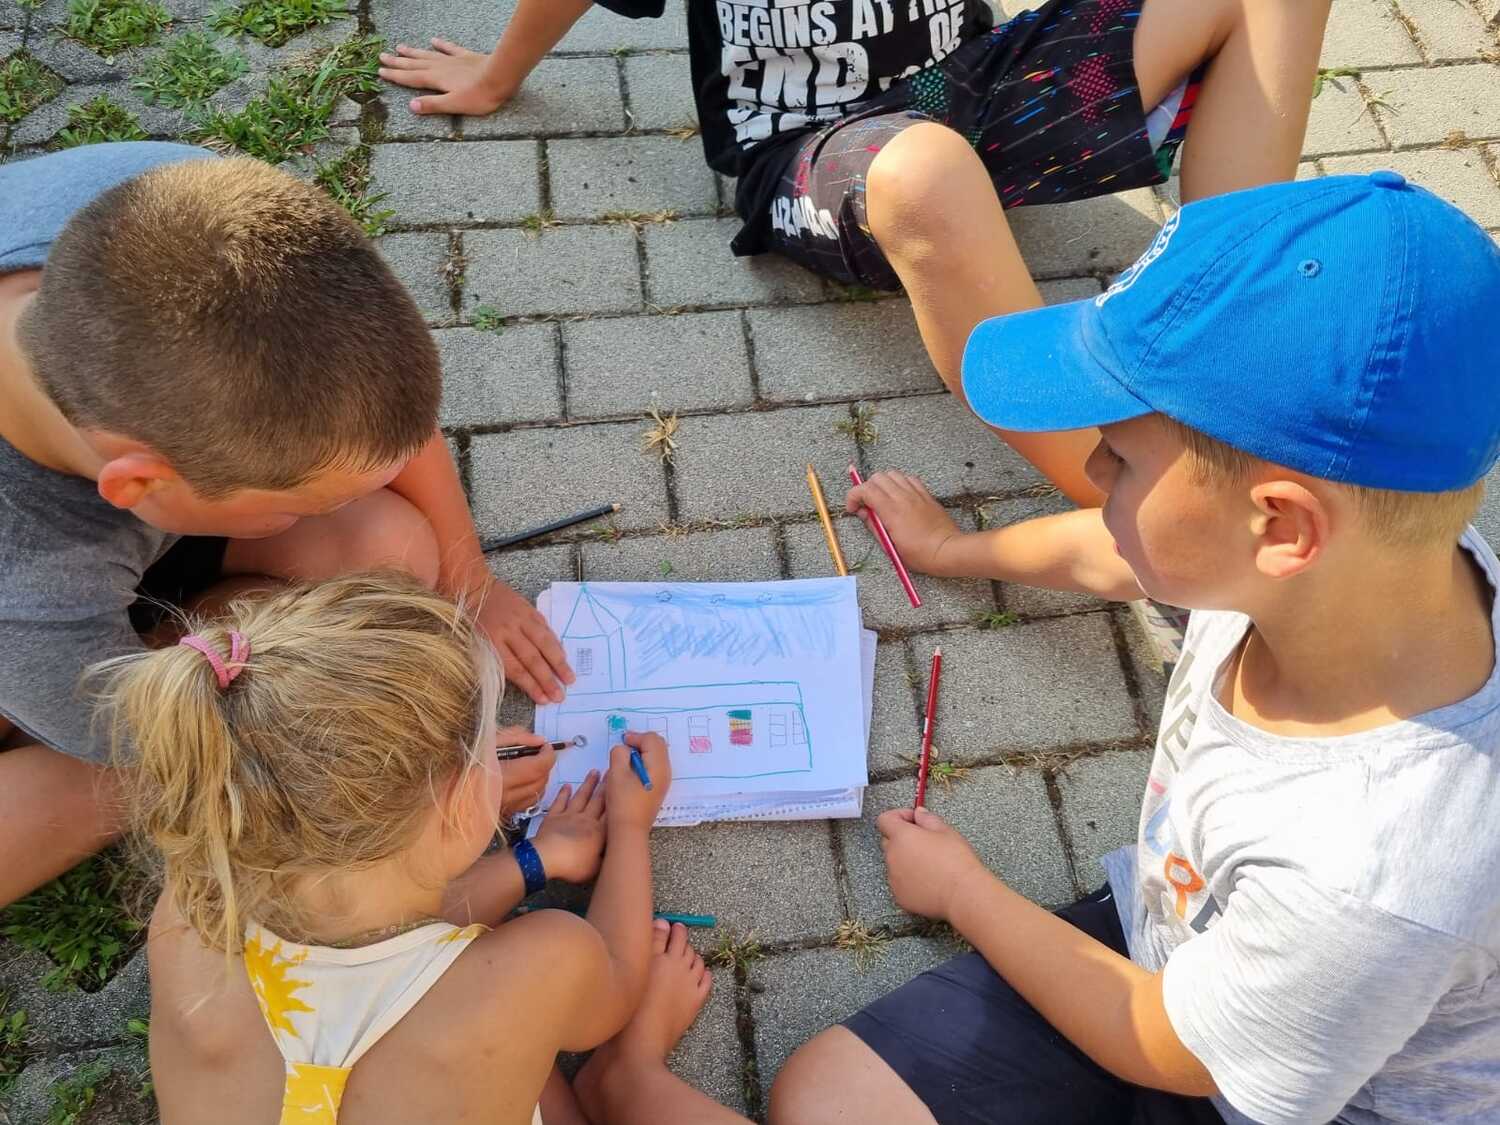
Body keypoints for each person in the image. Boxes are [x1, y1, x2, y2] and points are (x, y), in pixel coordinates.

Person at [770, 173, 1500, 1124]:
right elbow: (1118, 550)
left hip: (1244, 1077)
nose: (1091, 469)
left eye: (1118, 454)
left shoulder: (1373, 877)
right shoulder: (1377, 567)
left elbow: (1162, 1044)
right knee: (821, 1095)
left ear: (1282, 527)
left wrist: (965, 891)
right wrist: (951, 550)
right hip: (1188, 949)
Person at [379, 0, 1331, 504]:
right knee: (928, 175)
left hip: (963, 87)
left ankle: (1237, 358)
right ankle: (1139, 500)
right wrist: (499, 75)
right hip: (816, 151)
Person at [0, 142, 573, 908]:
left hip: (97, 573)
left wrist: (472, 579)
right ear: (140, 481)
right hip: (38, 626)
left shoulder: (206, 218)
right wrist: (418, 789)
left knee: (391, 550)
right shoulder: (28, 585)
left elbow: (374, 421)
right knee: (130, 772)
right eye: (302, 502)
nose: (328, 512)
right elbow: (178, 745)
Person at [102, 571, 744, 1124]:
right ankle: (632, 1071)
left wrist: (533, 859)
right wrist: (630, 826)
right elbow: (618, 983)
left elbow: (367, 923)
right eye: (486, 747)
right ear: (460, 806)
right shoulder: (538, 967)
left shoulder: (192, 906)